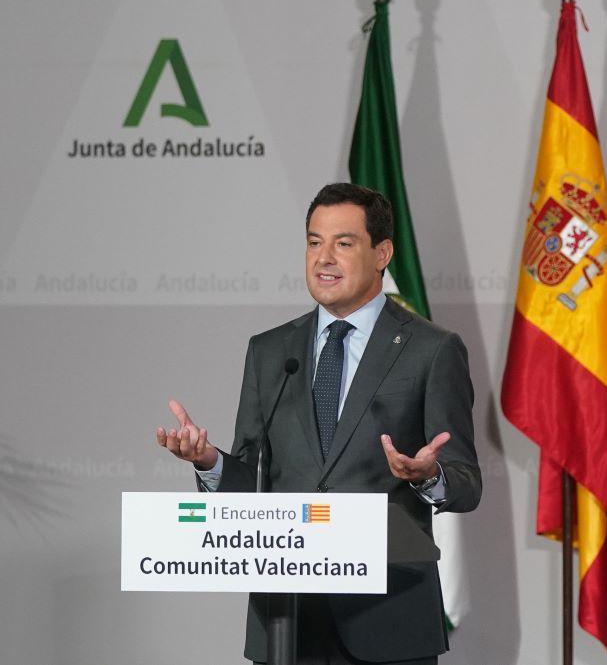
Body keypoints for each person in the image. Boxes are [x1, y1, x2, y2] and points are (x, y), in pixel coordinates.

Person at [156, 182, 480, 664]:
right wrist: (210, 463)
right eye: (313, 242)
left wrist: (429, 476)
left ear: (382, 253)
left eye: (343, 243)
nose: (323, 258)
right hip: (288, 622)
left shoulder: (431, 350)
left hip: (388, 620)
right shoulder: (270, 352)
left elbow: (467, 485)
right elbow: (255, 482)